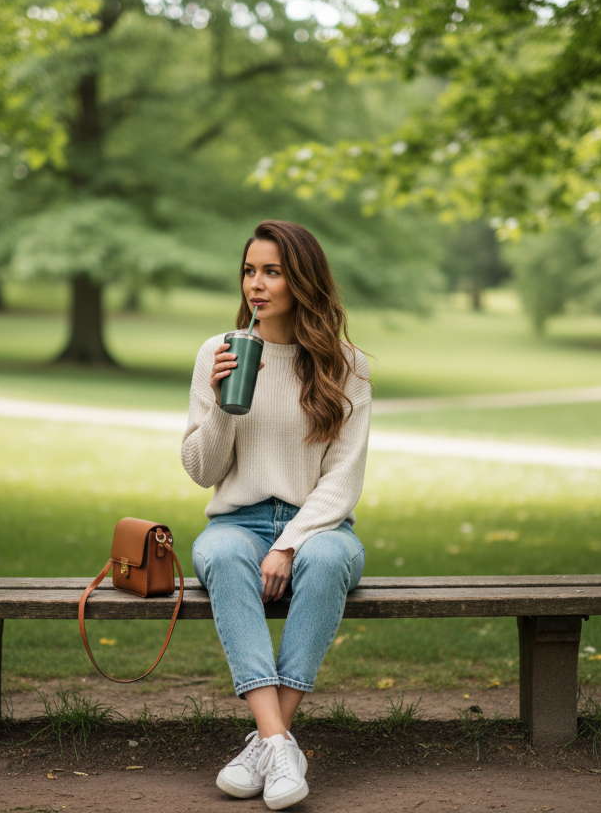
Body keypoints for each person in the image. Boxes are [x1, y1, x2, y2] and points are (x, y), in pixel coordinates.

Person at [181, 220, 371, 810]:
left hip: (318, 525)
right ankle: (279, 743)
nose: (256, 284)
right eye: (248, 270)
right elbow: (200, 469)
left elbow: (342, 480)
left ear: (302, 280)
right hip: (236, 521)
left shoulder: (347, 364)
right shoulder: (221, 352)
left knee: (332, 556)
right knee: (217, 553)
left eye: (272, 271)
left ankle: (267, 742)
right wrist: (220, 408)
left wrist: (288, 542)